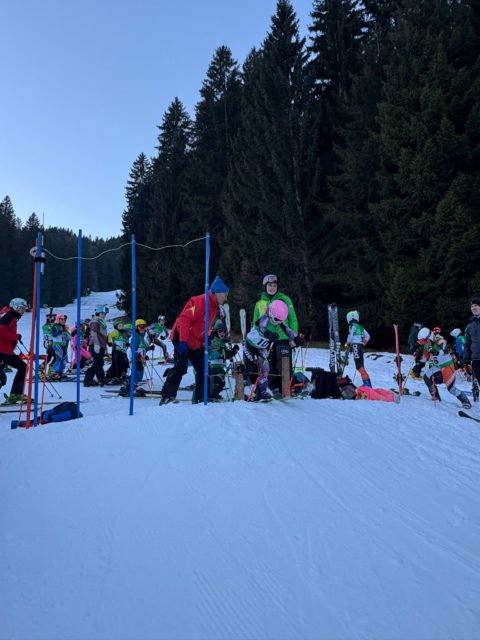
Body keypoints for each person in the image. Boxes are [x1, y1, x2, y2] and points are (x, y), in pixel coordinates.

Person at [160, 275, 229, 405]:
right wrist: (183, 341)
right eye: (225, 295)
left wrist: (204, 342)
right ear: (218, 293)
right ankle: (167, 396)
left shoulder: (215, 308)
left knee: (203, 368)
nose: (226, 298)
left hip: (196, 341)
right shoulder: (201, 301)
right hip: (182, 335)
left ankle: (200, 398)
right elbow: (183, 319)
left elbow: (203, 328)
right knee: (181, 367)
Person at [245, 299, 303, 401]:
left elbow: (287, 330)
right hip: (250, 345)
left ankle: (261, 391)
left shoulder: (277, 320)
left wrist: (295, 338)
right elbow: (262, 327)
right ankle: (241, 390)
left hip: (262, 348)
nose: (278, 322)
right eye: (277, 319)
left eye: (281, 320)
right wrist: (269, 334)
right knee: (249, 367)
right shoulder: (265, 317)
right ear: (271, 313)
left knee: (266, 369)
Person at [252, 274, 298, 394]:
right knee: (269, 364)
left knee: (283, 362)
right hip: (266, 339)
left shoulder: (285, 299)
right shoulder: (259, 303)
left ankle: (288, 387)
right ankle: (274, 388)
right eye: (270, 285)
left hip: (283, 337)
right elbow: (256, 324)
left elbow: (293, 319)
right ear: (265, 286)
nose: (272, 288)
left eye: (274, 285)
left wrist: (293, 337)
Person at [416, 327, 471, 408]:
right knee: (426, 377)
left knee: (451, 388)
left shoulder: (440, 340)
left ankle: (465, 401)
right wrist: (418, 358)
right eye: (422, 342)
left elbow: (444, 351)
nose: (425, 343)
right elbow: (425, 358)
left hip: (447, 366)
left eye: (425, 341)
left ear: (429, 337)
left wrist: (432, 350)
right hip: (437, 366)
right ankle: (436, 397)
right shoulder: (427, 345)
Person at [0, 298, 28, 403]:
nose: (23, 311)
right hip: (2, 351)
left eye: (24, 308)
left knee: (23, 367)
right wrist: (15, 337)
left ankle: (16, 394)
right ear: (15, 307)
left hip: (7, 351)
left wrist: (15, 336)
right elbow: (1, 330)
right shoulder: (9, 315)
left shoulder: (10, 315)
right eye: (22, 308)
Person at [208, 319, 239, 400]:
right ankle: (212, 395)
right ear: (216, 332)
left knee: (221, 382)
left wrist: (234, 351)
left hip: (219, 366)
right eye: (220, 331)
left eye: (224, 331)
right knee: (219, 383)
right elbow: (218, 354)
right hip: (214, 366)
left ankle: (213, 395)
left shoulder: (220, 342)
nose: (222, 333)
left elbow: (227, 355)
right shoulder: (215, 342)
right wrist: (226, 352)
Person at [83, 305, 109, 387]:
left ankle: (88, 380)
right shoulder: (95, 321)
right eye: (102, 313)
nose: (104, 315)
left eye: (105, 314)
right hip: (95, 345)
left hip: (101, 345)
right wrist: (96, 344)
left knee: (97, 363)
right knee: (98, 363)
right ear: (98, 313)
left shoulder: (101, 322)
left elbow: (104, 336)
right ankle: (101, 378)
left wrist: (105, 348)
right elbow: (93, 333)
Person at [345, 310, 372, 387]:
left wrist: (347, 344)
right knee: (361, 366)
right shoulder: (361, 327)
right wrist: (363, 344)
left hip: (355, 346)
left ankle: (367, 384)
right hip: (360, 346)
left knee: (359, 366)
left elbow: (350, 337)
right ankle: (367, 383)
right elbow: (368, 337)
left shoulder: (352, 326)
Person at [463, 296, 480, 384]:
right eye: (472, 306)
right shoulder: (470, 326)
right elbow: (467, 344)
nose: (473, 308)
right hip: (476, 360)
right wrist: (466, 361)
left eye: (476, 305)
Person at [50, 314, 71, 380]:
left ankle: (60, 372)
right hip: (57, 344)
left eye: (64, 320)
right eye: (62, 319)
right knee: (59, 358)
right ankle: (55, 373)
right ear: (58, 319)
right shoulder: (55, 326)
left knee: (64, 358)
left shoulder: (64, 327)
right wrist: (59, 331)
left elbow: (68, 335)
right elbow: (53, 335)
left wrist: (69, 336)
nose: (63, 321)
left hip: (63, 345)